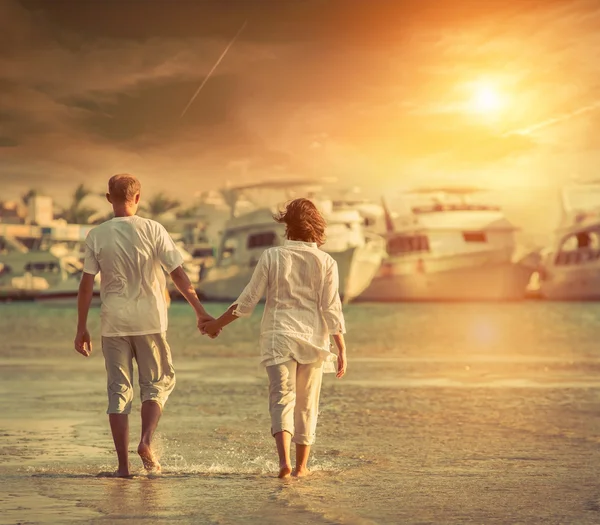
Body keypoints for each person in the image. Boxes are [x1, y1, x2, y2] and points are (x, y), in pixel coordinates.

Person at [74, 173, 213, 477]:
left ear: (109, 198)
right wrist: (200, 312)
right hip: (150, 321)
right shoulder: (153, 229)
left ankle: (123, 468)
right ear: (138, 198)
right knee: (157, 384)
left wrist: (81, 328)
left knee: (118, 391)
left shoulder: (96, 234)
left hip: (113, 323)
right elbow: (178, 275)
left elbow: (86, 286)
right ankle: (146, 441)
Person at [203, 198, 348, 478]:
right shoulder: (327, 262)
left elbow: (246, 302)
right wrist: (341, 347)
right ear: (316, 226)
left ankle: (284, 464)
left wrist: (216, 324)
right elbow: (331, 308)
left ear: (286, 225)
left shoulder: (272, 256)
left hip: (278, 335)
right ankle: (302, 468)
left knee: (281, 398)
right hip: (314, 339)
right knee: (307, 404)